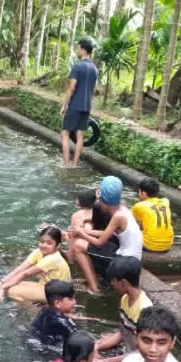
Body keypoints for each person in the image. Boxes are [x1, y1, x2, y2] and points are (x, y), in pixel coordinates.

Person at [69, 176, 143, 294]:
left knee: (78, 245)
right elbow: (107, 232)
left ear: (103, 201)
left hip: (125, 260)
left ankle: (94, 288)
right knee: (83, 239)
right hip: (131, 256)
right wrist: (85, 231)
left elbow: (99, 243)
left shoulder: (118, 217)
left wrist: (81, 233)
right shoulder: (122, 207)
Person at [92, 256, 153, 362]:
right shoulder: (124, 299)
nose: (112, 284)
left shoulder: (145, 310)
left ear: (123, 282)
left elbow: (144, 352)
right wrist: (97, 346)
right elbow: (122, 333)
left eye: (113, 281)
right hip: (126, 352)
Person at [0, 226, 71, 304]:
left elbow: (26, 273)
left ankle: (34, 311)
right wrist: (2, 282)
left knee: (12, 292)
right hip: (45, 286)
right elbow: (21, 268)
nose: (44, 245)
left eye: (49, 243)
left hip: (59, 294)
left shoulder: (53, 258)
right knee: (11, 285)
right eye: (42, 241)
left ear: (58, 246)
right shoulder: (38, 252)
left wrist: (2, 287)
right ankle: (38, 306)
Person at [59, 38, 98, 168]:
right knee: (80, 134)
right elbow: (94, 88)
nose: (77, 50)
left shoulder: (77, 66)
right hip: (87, 105)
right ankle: (75, 164)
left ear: (82, 49)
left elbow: (72, 87)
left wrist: (64, 105)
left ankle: (66, 164)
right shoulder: (94, 69)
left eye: (78, 48)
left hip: (75, 104)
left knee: (65, 133)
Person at [131, 178, 173, 252]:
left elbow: (129, 223)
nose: (138, 194)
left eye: (139, 192)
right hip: (167, 245)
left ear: (143, 194)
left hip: (149, 246)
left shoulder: (139, 206)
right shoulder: (165, 202)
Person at [32, 280, 78, 345]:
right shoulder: (62, 322)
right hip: (52, 352)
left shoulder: (44, 310)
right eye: (71, 299)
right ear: (57, 303)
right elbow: (79, 342)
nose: (75, 302)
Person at [66, 189, 96, 265]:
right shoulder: (98, 213)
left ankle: (71, 259)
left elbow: (71, 236)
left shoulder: (76, 215)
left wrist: (70, 257)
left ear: (79, 202)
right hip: (92, 247)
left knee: (68, 235)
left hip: (79, 247)